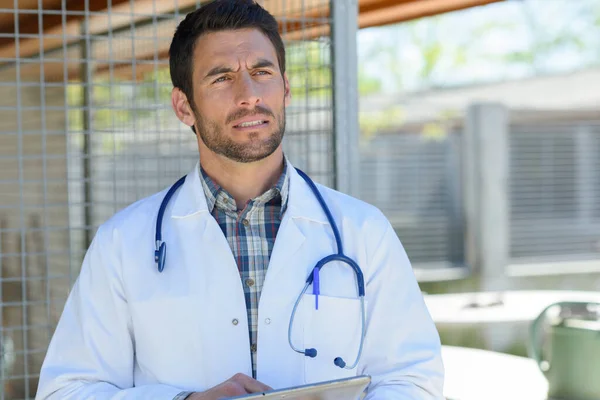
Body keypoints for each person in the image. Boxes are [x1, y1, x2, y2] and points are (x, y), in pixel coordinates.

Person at [35, 1, 444, 399]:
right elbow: (66, 390)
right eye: (222, 78)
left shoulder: (364, 232)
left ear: (285, 87)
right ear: (184, 106)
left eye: (262, 71)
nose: (248, 94)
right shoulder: (122, 244)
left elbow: (412, 378)